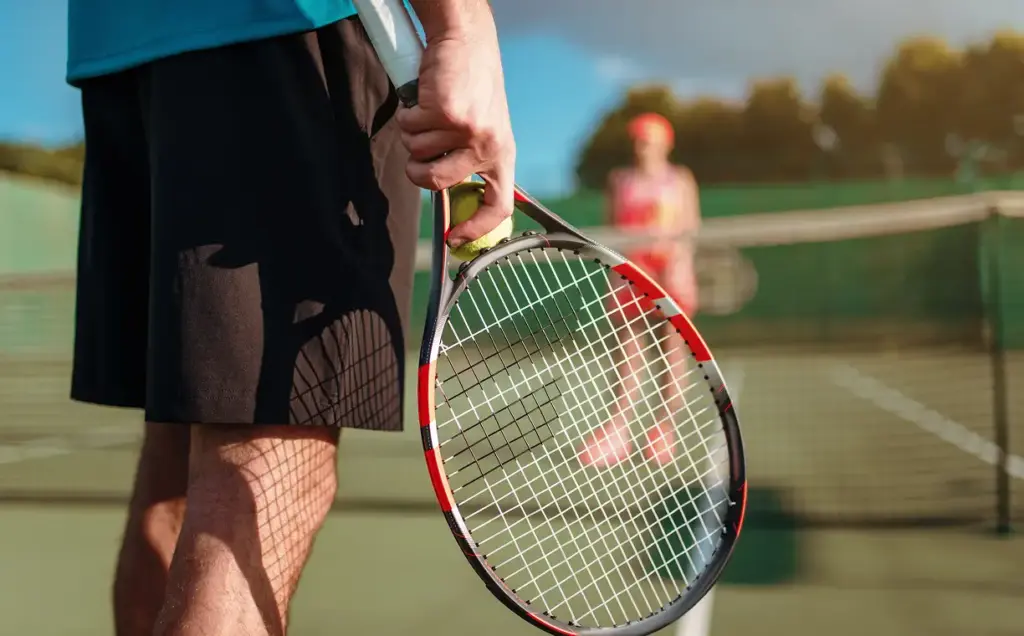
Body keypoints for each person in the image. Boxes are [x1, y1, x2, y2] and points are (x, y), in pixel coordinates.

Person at [65, 0, 515, 634]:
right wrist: (459, 28)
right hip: (289, 31)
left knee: (173, 464)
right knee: (262, 478)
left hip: (117, 49)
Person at [578, 112, 701, 469]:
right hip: (631, 277)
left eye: (647, 140)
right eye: (637, 140)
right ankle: (618, 430)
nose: (640, 146)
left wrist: (675, 260)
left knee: (672, 352)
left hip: (672, 276)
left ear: (665, 143)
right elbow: (613, 229)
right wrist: (628, 266)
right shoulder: (619, 180)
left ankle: (664, 429)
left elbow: (691, 227)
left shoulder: (681, 179)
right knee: (628, 352)